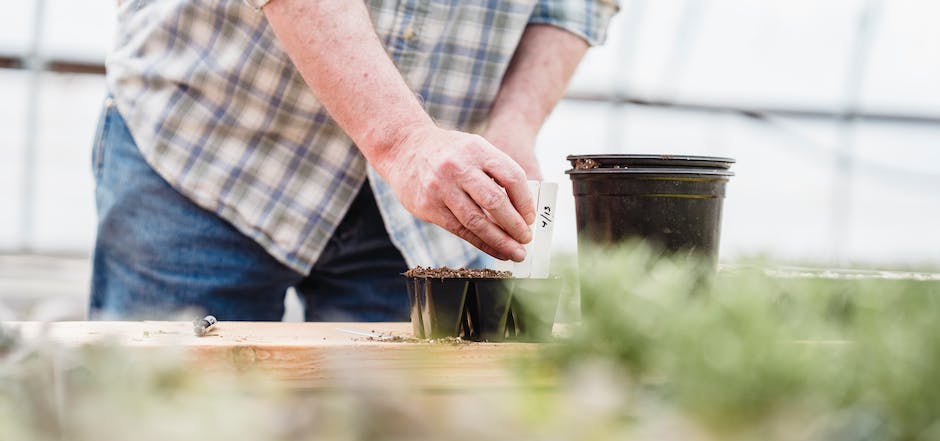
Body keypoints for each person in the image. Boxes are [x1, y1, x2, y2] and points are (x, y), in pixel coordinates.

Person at [90, 0, 619, 322]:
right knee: (166, 438)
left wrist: (515, 122)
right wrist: (402, 140)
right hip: (213, 145)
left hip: (422, 212)